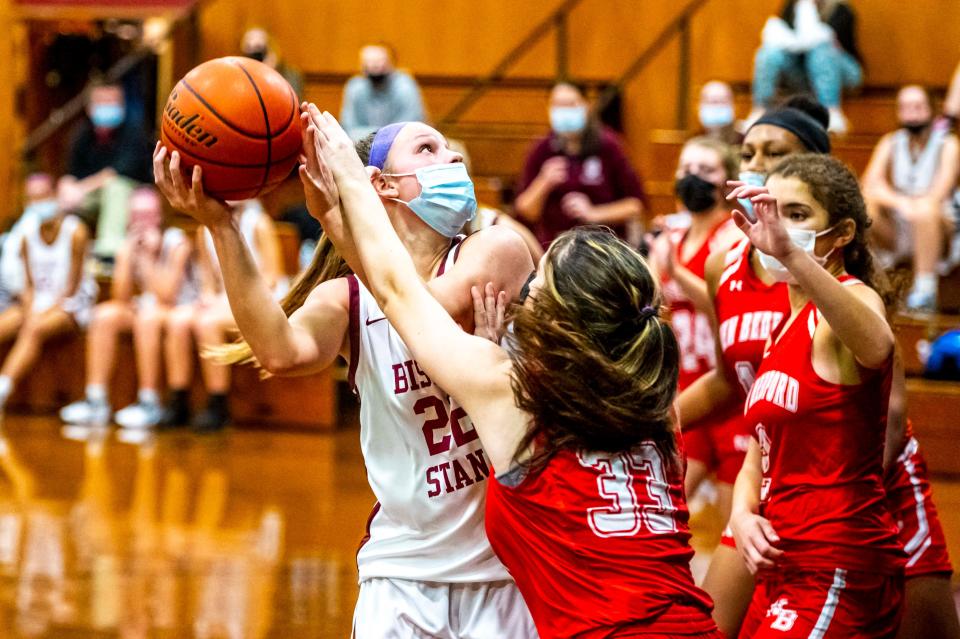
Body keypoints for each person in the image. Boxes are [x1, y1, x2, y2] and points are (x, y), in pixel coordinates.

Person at [306, 110, 721, 638]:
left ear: (562, 322)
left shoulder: (510, 398)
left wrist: (344, 192)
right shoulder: (655, 415)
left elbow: (397, 296)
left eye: (536, 285)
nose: (524, 293)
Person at [153, 110, 538, 636]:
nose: (451, 159)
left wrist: (340, 215)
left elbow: (419, 308)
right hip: (401, 572)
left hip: (504, 571)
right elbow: (280, 351)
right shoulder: (347, 299)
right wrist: (222, 226)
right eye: (427, 149)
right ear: (379, 184)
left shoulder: (496, 250)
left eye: (448, 149)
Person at [728, 154, 905, 637]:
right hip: (782, 564)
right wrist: (742, 514)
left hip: (837, 561)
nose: (778, 225)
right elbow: (757, 454)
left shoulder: (854, 298)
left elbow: (878, 344)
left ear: (843, 233)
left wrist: (792, 256)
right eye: (773, 209)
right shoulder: (779, 331)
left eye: (798, 213)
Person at [650, 137, 743, 520]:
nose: (693, 178)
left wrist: (678, 273)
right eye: (687, 170)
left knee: (731, 525)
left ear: (727, 181)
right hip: (684, 388)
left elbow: (729, 305)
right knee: (660, 509)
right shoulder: (671, 237)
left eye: (706, 171)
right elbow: (650, 307)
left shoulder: (734, 235)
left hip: (729, 389)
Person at [59, 187, 196, 428]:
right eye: (136, 216)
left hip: (179, 309)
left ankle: (149, 401)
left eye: (147, 215)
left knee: (147, 317)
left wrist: (146, 258)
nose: (141, 222)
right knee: (104, 315)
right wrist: (127, 254)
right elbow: (120, 297)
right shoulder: (130, 242)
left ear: (159, 216)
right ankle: (96, 400)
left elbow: (167, 296)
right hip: (146, 308)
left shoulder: (177, 242)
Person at [162, 199, 283, 433]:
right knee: (177, 320)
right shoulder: (203, 229)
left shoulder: (259, 223)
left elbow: (272, 278)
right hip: (224, 299)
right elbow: (207, 280)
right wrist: (208, 297)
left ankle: (219, 402)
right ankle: (179, 399)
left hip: (263, 301)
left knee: (207, 323)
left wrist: (229, 301)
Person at [514, 81, 647, 248]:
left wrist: (593, 213)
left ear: (586, 106)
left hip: (603, 248)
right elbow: (525, 211)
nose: (565, 111)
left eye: (571, 104)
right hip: (554, 247)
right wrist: (544, 182)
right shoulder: (541, 150)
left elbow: (635, 206)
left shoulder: (609, 146)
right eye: (558, 105)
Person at [862, 85, 960, 311]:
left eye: (918, 107)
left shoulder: (948, 144)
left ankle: (925, 291)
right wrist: (902, 203)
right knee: (866, 207)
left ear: (933, 110)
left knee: (926, 210)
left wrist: (916, 206)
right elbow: (870, 183)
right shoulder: (890, 142)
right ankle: (873, 286)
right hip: (900, 223)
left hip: (938, 224)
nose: (911, 114)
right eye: (905, 108)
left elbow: (939, 192)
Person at [0, 183, 97, 410]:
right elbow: (28, 284)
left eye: (43, 197)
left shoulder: (76, 232)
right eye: (33, 199)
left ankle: (3, 388)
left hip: (71, 305)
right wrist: (30, 308)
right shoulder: (25, 235)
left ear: (54, 197)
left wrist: (40, 313)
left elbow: (72, 288)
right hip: (37, 304)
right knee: (7, 323)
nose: (39, 204)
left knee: (34, 328)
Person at [64, 79, 155, 259]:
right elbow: (71, 173)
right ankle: (63, 252)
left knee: (115, 187)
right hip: (94, 193)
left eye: (113, 102)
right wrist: (66, 188)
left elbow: (113, 174)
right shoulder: (81, 134)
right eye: (103, 102)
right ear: (90, 108)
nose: (109, 107)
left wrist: (80, 189)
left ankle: (109, 253)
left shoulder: (134, 131)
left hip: (132, 193)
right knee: (62, 200)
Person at [749, 0, 862, 133]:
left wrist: (807, 19)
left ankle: (831, 110)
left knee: (821, 51)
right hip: (805, 75)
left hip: (844, 72)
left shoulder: (841, 10)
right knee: (768, 53)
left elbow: (826, 41)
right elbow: (783, 37)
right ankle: (759, 108)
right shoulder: (792, 6)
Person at [339, 43, 425, 140]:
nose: (374, 67)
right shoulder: (355, 87)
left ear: (391, 63)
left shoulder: (405, 87)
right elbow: (349, 128)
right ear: (361, 67)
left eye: (379, 63)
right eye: (369, 63)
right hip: (362, 148)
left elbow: (407, 128)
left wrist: (373, 136)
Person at [240, 27, 304, 98]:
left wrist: (270, 75)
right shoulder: (240, 76)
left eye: (258, 48)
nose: (254, 55)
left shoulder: (291, 75)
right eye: (249, 48)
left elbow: (293, 102)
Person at [698, 81, 744, 146]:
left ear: (733, 105)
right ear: (700, 106)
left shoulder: (744, 142)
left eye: (723, 101)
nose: (717, 107)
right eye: (713, 102)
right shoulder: (695, 142)